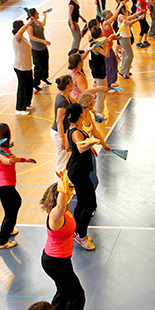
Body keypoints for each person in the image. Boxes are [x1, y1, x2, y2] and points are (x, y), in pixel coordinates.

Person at [40, 179, 88, 310]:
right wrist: (62, 186)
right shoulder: (56, 215)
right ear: (58, 196)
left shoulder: (65, 211)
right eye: (66, 192)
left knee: (63, 290)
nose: (70, 193)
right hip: (54, 262)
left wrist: (65, 178)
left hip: (62, 259)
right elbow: (60, 206)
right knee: (77, 294)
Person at [66, 104, 106, 250]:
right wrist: (92, 142)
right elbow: (80, 148)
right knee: (90, 204)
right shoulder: (76, 132)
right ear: (80, 115)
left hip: (76, 169)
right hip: (79, 171)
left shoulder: (71, 129)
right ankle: (82, 236)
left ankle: (76, 231)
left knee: (82, 202)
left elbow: (68, 147)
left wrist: (90, 147)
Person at [0, 123, 35, 250]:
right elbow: (4, 160)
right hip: (3, 186)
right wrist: (9, 161)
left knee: (12, 207)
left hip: (2, 185)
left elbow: (12, 158)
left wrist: (25, 160)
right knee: (12, 210)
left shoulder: (1, 148)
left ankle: (8, 229)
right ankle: (2, 241)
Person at [115, 0, 144, 79]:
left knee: (125, 54)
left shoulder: (123, 13)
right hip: (123, 37)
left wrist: (136, 14)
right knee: (130, 55)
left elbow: (128, 18)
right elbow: (128, 22)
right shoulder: (120, 16)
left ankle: (124, 70)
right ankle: (124, 71)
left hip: (126, 35)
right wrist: (138, 18)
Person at [52, 75, 76, 172]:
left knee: (67, 156)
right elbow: (59, 121)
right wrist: (62, 138)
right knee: (62, 158)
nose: (73, 84)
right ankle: (60, 178)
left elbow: (76, 104)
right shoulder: (62, 102)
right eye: (71, 82)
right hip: (59, 132)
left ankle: (65, 177)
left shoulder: (66, 96)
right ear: (67, 85)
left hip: (64, 131)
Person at [13, 19, 34, 115]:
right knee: (22, 87)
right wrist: (29, 22)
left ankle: (27, 104)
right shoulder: (16, 38)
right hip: (20, 67)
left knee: (29, 86)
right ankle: (19, 108)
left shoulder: (23, 38)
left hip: (27, 66)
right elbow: (20, 32)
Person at [27, 8, 52, 91]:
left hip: (43, 47)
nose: (38, 14)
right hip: (36, 49)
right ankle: (36, 83)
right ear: (33, 15)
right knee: (38, 66)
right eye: (36, 13)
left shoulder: (38, 22)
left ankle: (44, 77)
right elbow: (31, 37)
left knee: (45, 64)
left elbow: (43, 24)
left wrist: (45, 16)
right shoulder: (30, 25)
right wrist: (43, 41)